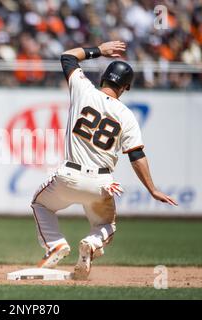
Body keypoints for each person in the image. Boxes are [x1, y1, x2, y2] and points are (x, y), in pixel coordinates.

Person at [31, 41, 178, 280]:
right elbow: (136, 156)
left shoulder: (83, 90)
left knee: (40, 204)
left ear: (103, 78)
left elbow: (67, 57)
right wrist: (152, 189)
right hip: (102, 183)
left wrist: (99, 50)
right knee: (106, 226)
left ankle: (55, 245)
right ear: (126, 87)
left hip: (68, 176)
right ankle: (91, 242)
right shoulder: (127, 117)